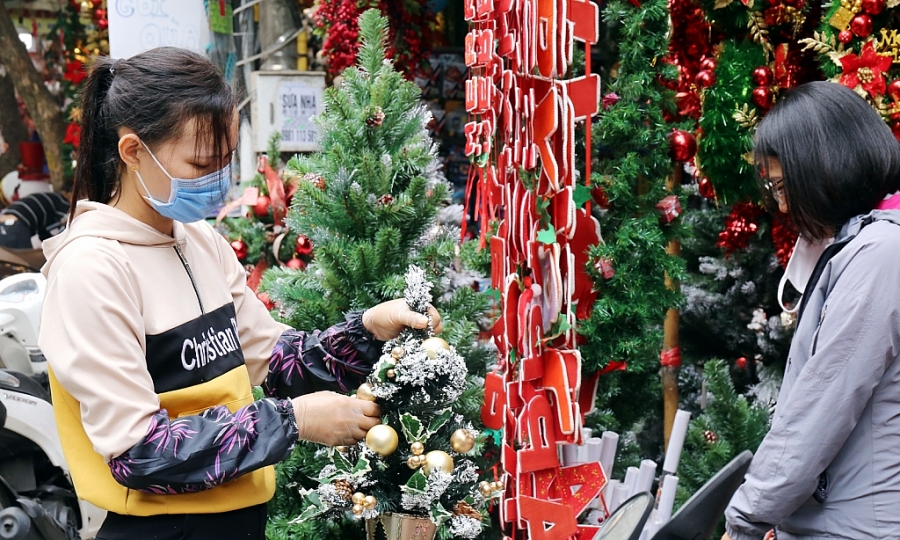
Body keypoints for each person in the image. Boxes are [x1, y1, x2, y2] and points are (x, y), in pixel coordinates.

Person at [41, 47, 443, 540]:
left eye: (226, 161)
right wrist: (294, 422)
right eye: (200, 163)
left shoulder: (201, 243)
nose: (219, 180)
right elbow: (140, 453)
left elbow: (274, 361)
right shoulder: (92, 269)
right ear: (132, 152)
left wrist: (367, 330)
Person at [723, 81, 900, 540]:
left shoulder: (882, 253)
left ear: (826, 168)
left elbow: (820, 408)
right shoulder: (866, 245)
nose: (781, 205)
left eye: (785, 186)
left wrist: (745, 519)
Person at [0, 186, 71, 249]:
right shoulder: (62, 202)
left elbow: (44, 234)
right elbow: (65, 230)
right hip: (17, 225)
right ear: (65, 193)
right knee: (22, 261)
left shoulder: (49, 199)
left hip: (4, 222)